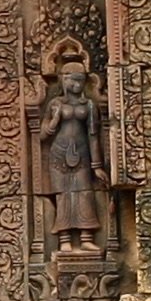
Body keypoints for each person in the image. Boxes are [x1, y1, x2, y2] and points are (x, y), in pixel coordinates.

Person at [40, 64, 105, 248]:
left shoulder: (89, 105)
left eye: (81, 80)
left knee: (85, 193)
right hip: (58, 154)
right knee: (63, 195)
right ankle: (65, 239)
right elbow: (42, 136)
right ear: (64, 80)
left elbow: (93, 136)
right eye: (73, 80)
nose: (77, 84)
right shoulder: (55, 104)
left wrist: (97, 166)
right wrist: (54, 121)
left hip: (82, 154)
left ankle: (86, 238)